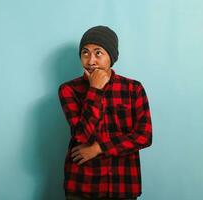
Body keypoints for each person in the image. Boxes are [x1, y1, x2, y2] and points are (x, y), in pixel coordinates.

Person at [58, 25, 153, 200]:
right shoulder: (68, 90)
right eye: (85, 52)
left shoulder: (133, 89)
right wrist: (95, 89)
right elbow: (81, 136)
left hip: (123, 184)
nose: (91, 60)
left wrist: (99, 148)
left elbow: (144, 136)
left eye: (98, 53)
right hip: (82, 184)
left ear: (111, 56)